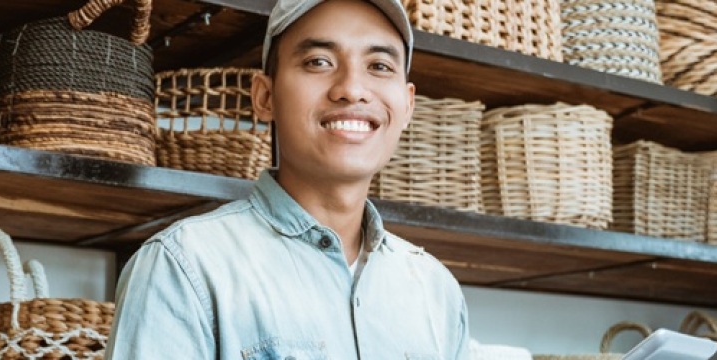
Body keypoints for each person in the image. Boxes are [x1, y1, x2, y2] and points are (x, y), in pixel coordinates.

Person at [105, 0, 470, 358]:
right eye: (319, 62)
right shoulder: (183, 266)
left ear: (407, 106)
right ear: (265, 96)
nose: (352, 88)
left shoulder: (435, 291)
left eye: (379, 65)